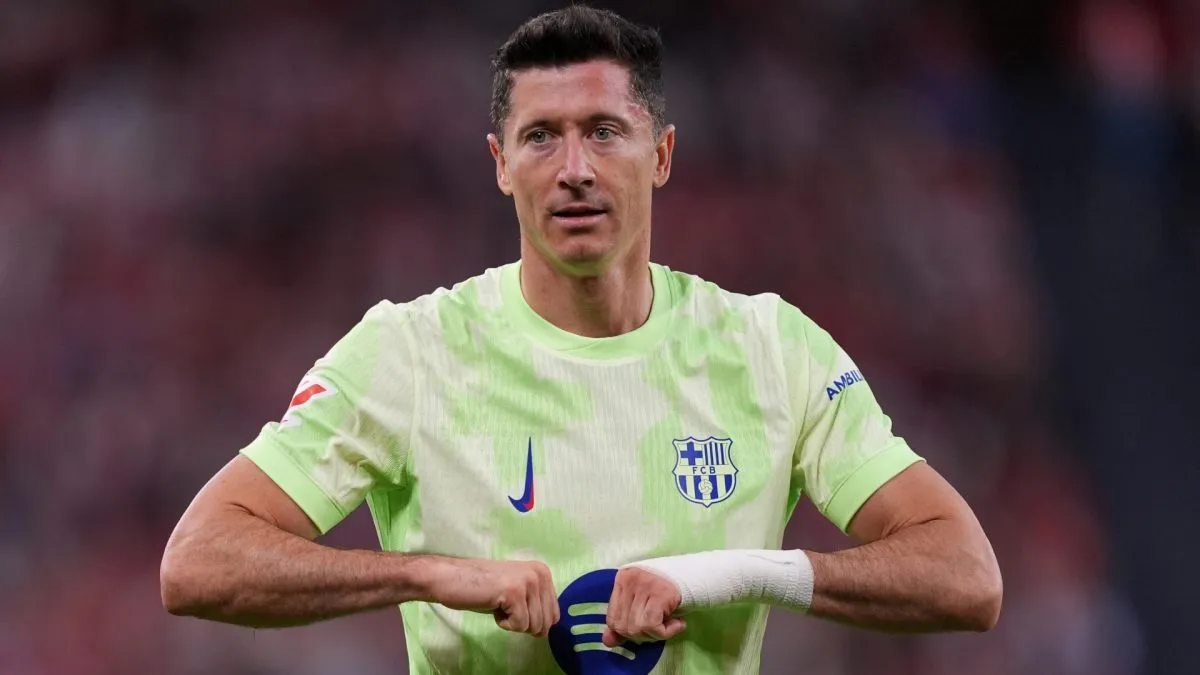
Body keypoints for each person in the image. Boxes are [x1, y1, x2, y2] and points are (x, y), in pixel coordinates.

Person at [160, 6, 1002, 674]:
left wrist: (727, 574)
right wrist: (426, 574)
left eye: (603, 130)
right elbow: (198, 560)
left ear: (662, 154)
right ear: (499, 163)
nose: (574, 168)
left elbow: (965, 574)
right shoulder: (408, 353)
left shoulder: (768, 348)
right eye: (540, 136)